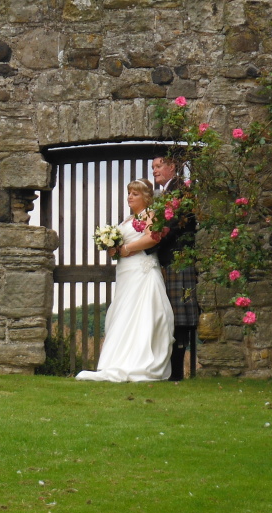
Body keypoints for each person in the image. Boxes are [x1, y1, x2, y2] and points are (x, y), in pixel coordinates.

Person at [75, 179, 174, 382]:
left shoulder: (150, 215)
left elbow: (153, 238)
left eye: (135, 194)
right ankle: (116, 360)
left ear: (146, 197)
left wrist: (127, 249)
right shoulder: (128, 219)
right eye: (129, 193)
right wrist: (113, 249)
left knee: (142, 313)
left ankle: (138, 361)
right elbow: (122, 246)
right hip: (126, 273)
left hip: (142, 271)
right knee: (123, 313)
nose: (130, 197)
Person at [150, 156, 200, 381]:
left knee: (179, 319)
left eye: (158, 166)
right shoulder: (169, 192)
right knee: (173, 317)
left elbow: (169, 226)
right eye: (153, 167)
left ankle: (177, 373)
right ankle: (174, 372)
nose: (154, 171)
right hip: (172, 261)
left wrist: (148, 245)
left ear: (172, 167)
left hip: (178, 260)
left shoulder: (179, 190)